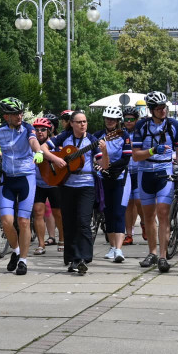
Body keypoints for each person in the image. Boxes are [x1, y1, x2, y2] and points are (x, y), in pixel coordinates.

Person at [0, 97, 45, 275]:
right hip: (8, 179)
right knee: (6, 221)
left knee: (24, 221)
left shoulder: (27, 128)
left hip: (26, 177)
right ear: (6, 116)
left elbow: (33, 141)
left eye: (20, 113)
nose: (19, 116)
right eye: (14, 114)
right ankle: (16, 251)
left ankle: (23, 261)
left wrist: (39, 151)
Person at [132, 91, 178, 273]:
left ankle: (163, 256)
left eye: (165, 107)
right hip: (145, 172)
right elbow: (136, 156)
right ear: (151, 110)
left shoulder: (174, 125)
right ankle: (152, 253)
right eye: (159, 108)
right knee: (148, 217)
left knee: (163, 213)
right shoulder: (142, 126)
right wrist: (153, 150)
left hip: (165, 171)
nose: (163, 111)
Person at [50, 110, 100, 272]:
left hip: (86, 185)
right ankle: (72, 258)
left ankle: (83, 257)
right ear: (71, 123)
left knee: (83, 222)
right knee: (69, 223)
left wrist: (104, 151)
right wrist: (56, 159)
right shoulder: (64, 138)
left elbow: (104, 164)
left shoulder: (92, 140)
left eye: (84, 121)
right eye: (79, 122)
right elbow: (44, 147)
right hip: (66, 185)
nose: (83, 124)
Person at [97, 106, 132, 263]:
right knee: (108, 213)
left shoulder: (124, 136)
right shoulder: (98, 136)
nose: (109, 121)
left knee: (119, 212)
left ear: (118, 121)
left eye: (113, 119)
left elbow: (126, 159)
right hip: (103, 178)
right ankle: (112, 247)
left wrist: (109, 166)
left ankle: (119, 249)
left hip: (121, 177)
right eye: (107, 119)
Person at [31, 117, 62, 255]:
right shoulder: (31, 144)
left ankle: (62, 239)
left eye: (43, 130)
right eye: (36, 130)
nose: (39, 132)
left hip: (53, 183)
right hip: (38, 183)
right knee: (38, 212)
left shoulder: (54, 144)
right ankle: (41, 244)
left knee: (58, 213)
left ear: (49, 131)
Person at [122, 106, 142, 246]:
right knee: (128, 204)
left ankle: (145, 225)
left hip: (139, 170)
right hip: (126, 171)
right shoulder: (121, 133)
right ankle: (128, 234)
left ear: (136, 120)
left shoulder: (141, 133)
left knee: (139, 202)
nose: (128, 122)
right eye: (126, 119)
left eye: (131, 119)